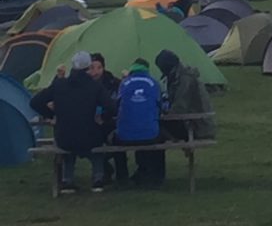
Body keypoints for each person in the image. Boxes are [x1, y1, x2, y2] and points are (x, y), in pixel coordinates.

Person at [30, 51, 114, 194]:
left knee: (68, 147)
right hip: (90, 136)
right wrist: (103, 118)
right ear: (88, 67)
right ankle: (98, 179)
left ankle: (68, 180)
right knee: (97, 145)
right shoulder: (95, 87)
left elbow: (35, 102)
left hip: (64, 136)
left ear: (72, 67)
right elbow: (112, 107)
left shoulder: (59, 85)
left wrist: (51, 114)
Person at [115, 58, 164, 186]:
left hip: (124, 136)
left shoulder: (123, 84)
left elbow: (116, 105)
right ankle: (157, 176)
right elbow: (162, 106)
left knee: (113, 140)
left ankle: (122, 176)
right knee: (159, 135)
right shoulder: (154, 83)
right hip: (150, 136)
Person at [155, 50, 216, 141]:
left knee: (154, 127)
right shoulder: (180, 77)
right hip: (191, 121)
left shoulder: (185, 80)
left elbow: (180, 107)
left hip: (196, 126)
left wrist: (163, 115)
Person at [88, 53, 127, 184]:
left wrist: (105, 117)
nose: (95, 72)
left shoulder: (113, 82)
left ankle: (122, 176)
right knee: (89, 143)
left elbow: (118, 104)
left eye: (99, 67)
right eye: (92, 68)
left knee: (117, 140)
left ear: (103, 68)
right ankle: (104, 170)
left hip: (112, 122)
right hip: (91, 124)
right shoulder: (84, 85)